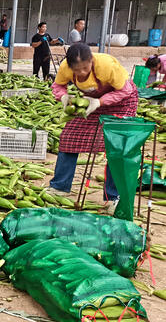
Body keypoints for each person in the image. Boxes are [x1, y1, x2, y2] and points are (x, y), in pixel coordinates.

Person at [47, 43, 138, 214]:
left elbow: (124, 91)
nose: (81, 72)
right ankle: (59, 186)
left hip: (121, 102)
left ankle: (113, 196)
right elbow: (58, 86)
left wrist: (100, 102)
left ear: (92, 60)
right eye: (77, 69)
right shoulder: (65, 68)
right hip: (91, 102)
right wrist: (64, 97)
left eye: (85, 68)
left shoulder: (106, 66)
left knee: (114, 145)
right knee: (69, 136)